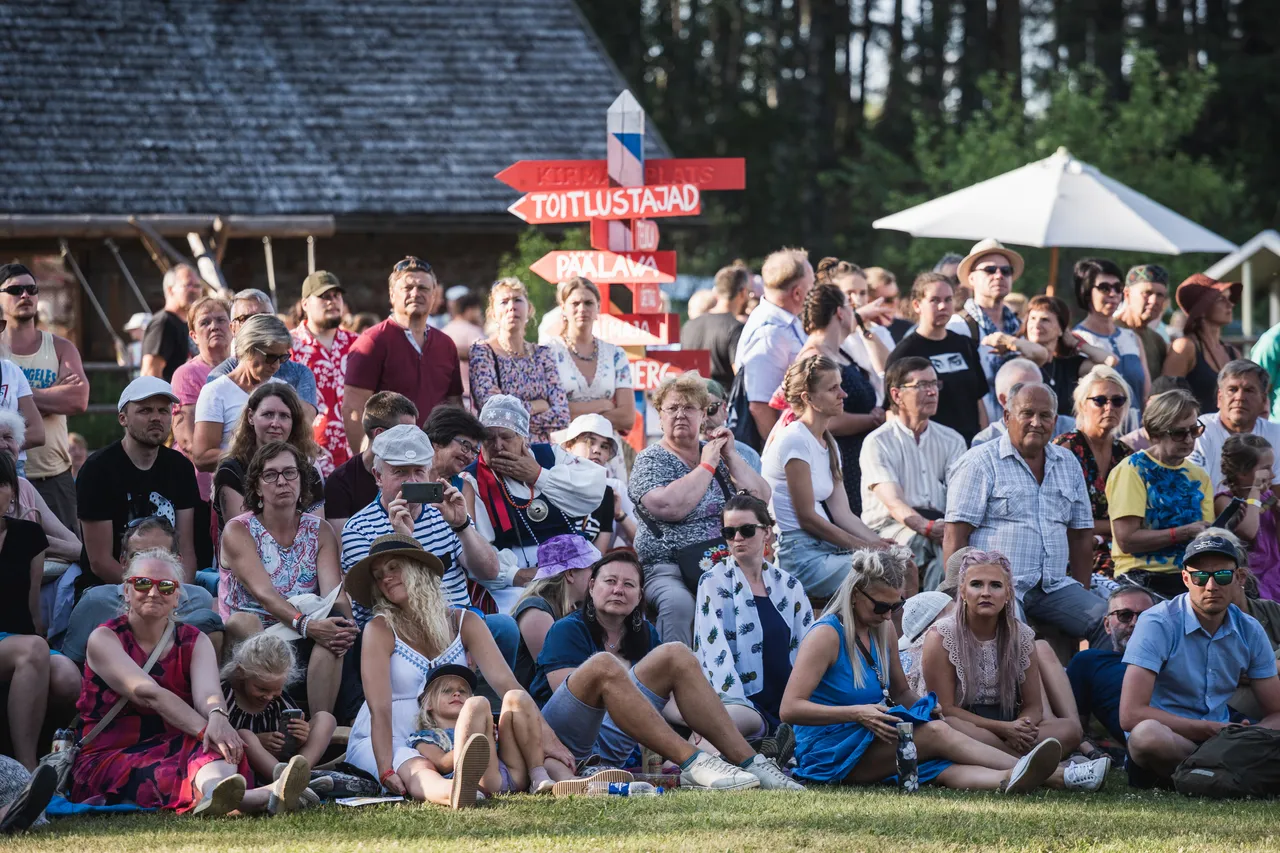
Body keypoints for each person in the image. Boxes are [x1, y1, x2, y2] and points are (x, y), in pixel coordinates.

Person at [780, 547, 1071, 792]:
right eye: (881, 607)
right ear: (856, 594)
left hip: (870, 735)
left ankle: (1008, 778)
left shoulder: (883, 631)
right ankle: (1058, 775)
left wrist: (924, 708)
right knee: (936, 734)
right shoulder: (826, 635)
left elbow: (901, 691)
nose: (886, 617)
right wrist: (856, 712)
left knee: (943, 766)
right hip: (829, 751)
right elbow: (789, 709)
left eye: (895, 607)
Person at [70, 548, 313, 815]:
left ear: (177, 597)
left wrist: (219, 718)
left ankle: (220, 794)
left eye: (165, 586)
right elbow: (150, 694)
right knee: (208, 744)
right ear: (126, 591)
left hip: (175, 741)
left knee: (216, 746)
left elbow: (208, 694)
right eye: (142, 583)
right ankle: (261, 796)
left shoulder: (195, 640)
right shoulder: (104, 639)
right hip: (110, 752)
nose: (153, 592)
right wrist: (209, 731)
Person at [532, 550, 798, 789]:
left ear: (639, 596)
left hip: (618, 740)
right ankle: (696, 762)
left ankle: (752, 762)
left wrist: (695, 722)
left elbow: (664, 702)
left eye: (628, 585)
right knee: (603, 664)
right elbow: (575, 699)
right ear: (591, 587)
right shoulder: (568, 629)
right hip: (566, 741)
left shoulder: (643, 632)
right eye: (610, 581)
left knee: (677, 653)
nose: (618, 590)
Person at [344, 534, 576, 803]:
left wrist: (550, 740)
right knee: (418, 766)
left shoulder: (463, 622)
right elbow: (379, 708)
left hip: (455, 734)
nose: (385, 578)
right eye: (378, 574)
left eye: (394, 567)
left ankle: (577, 783)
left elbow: (508, 685)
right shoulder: (380, 629)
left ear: (418, 570)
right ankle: (457, 793)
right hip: (391, 736)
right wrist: (385, 768)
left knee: (523, 743)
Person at [945, 382, 1105, 646]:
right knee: (1014, 636)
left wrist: (1081, 592)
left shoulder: (1067, 463)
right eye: (1027, 414)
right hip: (997, 587)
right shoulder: (979, 462)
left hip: (1054, 586)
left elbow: (1080, 535)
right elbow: (955, 535)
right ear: (1007, 417)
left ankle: (1092, 684)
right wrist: (958, 597)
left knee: (1112, 621)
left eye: (1044, 416)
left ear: (1055, 421)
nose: (1036, 422)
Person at [1121, 530, 1280, 785]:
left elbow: (1276, 711)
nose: (1211, 586)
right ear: (1185, 578)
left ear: (1239, 578)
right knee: (1145, 736)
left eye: (1222, 575)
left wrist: (1248, 737)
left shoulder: (1250, 629)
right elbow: (1130, 715)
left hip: (1224, 741)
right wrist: (1211, 731)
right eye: (1200, 576)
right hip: (1171, 740)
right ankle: (1221, 770)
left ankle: (1205, 772)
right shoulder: (1157, 622)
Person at [630, 372, 771, 646]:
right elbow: (669, 506)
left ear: (703, 415)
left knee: (768, 590)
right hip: (668, 568)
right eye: (672, 408)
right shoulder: (650, 459)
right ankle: (673, 679)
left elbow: (761, 498)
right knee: (679, 605)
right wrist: (707, 466)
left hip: (726, 561)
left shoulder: (718, 454)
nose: (680, 414)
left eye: (689, 408)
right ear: (660, 415)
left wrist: (729, 456)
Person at [921, 551, 1097, 769]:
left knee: (1069, 731)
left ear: (1008, 594)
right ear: (963, 592)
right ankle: (1032, 766)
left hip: (1008, 722)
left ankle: (1010, 761)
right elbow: (945, 708)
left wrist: (1020, 728)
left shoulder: (1022, 636)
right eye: (976, 584)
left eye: (995, 585)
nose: (986, 593)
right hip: (963, 723)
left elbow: (1033, 706)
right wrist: (1003, 729)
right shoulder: (941, 635)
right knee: (952, 726)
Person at [219, 441, 355, 715]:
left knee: (336, 639)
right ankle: (268, 722)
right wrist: (307, 625)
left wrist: (343, 625)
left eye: (290, 473)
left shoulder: (320, 531)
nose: (282, 481)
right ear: (257, 486)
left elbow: (334, 594)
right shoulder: (239, 530)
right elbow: (265, 595)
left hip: (304, 628)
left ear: (302, 480)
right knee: (245, 622)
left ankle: (318, 730)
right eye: (271, 475)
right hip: (255, 631)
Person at [340, 424, 504, 638]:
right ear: (378, 476)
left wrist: (462, 526)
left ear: (429, 473)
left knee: (505, 627)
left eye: (418, 471)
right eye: (400, 472)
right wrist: (404, 542)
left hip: (458, 624)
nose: (412, 481)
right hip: (399, 632)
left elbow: (490, 572)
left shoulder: (444, 512)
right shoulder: (358, 528)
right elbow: (387, 602)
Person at [763, 355, 894, 599]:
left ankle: (900, 638)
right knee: (881, 572)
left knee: (899, 563)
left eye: (840, 386)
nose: (843, 394)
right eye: (833, 388)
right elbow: (807, 518)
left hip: (825, 547)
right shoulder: (795, 440)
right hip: (798, 555)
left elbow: (843, 514)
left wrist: (881, 543)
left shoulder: (829, 442)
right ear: (808, 398)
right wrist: (865, 546)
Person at [457, 396, 604, 609]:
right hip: (516, 581)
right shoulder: (473, 481)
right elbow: (478, 548)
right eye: (488, 438)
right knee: (525, 610)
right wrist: (515, 575)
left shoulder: (550, 456)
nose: (497, 446)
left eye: (506, 437)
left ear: (522, 438)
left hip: (572, 567)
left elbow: (592, 491)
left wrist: (538, 475)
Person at [694, 493, 813, 742]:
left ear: (766, 532)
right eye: (729, 532)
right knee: (731, 725)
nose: (737, 538)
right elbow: (713, 652)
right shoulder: (712, 582)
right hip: (742, 705)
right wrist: (736, 703)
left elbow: (809, 648)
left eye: (747, 530)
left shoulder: (790, 586)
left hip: (790, 705)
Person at [77, 377, 199, 584]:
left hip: (169, 588)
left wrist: (176, 593)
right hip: (109, 588)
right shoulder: (97, 470)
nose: (156, 418)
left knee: (205, 606)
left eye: (163, 411)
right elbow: (100, 561)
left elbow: (186, 550)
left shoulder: (181, 468)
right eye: (145, 410)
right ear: (123, 419)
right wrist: (147, 591)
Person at [860, 358, 967, 592]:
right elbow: (894, 503)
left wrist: (946, 530)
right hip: (889, 529)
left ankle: (932, 619)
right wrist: (929, 528)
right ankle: (931, 620)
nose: (931, 392)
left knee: (953, 556)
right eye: (921, 385)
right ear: (897, 395)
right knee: (938, 548)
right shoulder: (878, 442)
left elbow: (961, 497)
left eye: (934, 384)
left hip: (939, 525)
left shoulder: (952, 440)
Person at [776, 283, 884, 513]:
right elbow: (826, 418)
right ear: (839, 312)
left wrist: (866, 329)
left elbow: (889, 366)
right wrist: (873, 419)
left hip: (855, 456)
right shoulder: (814, 356)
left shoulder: (839, 351)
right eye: (849, 305)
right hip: (836, 455)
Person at [0, 450, 77, 771]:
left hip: (19, 638)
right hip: (18, 647)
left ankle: (60, 759)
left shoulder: (29, 535)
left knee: (69, 678)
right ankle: (27, 770)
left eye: (1, 483)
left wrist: (38, 642)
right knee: (33, 650)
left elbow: (32, 607)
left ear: (13, 492)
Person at [61, 515, 224, 667]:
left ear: (177, 561)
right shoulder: (96, 600)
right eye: (139, 556)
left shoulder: (199, 599)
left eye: (160, 555)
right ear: (124, 562)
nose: (149, 565)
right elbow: (73, 668)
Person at [344, 256, 463, 454]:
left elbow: (455, 405)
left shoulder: (446, 344)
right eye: (407, 288)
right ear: (392, 294)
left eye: (423, 288)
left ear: (434, 295)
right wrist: (364, 463)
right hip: (389, 460)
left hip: (436, 458)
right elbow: (353, 410)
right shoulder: (372, 341)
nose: (415, 293)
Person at [0, 263, 88, 530]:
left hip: (54, 474)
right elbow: (62, 399)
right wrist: (52, 394)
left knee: (66, 559)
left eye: (31, 289)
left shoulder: (60, 346)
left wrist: (18, 397)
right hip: (6, 477)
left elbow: (77, 401)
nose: (25, 295)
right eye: (15, 289)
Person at [1107, 389, 1215, 599]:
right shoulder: (1133, 470)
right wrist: (1182, 532)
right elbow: (1127, 540)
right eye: (1179, 433)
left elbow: (1202, 535)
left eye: (1194, 430)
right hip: (1141, 574)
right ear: (1155, 433)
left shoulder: (1198, 475)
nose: (1188, 439)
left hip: (1188, 575)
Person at [410, 662, 556, 805]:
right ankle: (467, 786)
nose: (456, 694)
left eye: (463, 691)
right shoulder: (426, 737)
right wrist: (479, 741)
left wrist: (494, 735)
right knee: (477, 703)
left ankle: (538, 774)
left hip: (514, 773)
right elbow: (442, 763)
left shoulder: (483, 719)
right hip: (482, 781)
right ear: (427, 703)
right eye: (447, 690)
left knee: (516, 696)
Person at [945, 239, 1048, 422]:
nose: (999, 275)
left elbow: (1043, 357)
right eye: (990, 270)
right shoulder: (958, 326)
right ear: (971, 278)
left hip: (1019, 431)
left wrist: (1010, 341)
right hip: (976, 433)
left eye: (1006, 271)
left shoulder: (1019, 326)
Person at [220, 632, 337, 789]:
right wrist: (257, 740)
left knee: (326, 719)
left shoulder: (281, 703)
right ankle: (288, 783)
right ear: (241, 672)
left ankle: (298, 775)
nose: (268, 696)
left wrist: (299, 738)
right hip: (240, 766)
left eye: (276, 689)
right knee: (245, 736)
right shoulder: (225, 695)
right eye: (261, 688)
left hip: (280, 764)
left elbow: (288, 748)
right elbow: (216, 733)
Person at [887, 272, 990, 444]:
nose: (943, 306)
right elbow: (892, 410)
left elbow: (979, 400)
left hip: (969, 445)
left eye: (948, 299)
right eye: (935, 300)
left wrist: (984, 442)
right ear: (917, 305)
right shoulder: (904, 352)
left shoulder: (965, 345)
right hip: (929, 448)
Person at [1051, 365, 1135, 575]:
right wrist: (1116, 527)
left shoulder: (1125, 454)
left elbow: (1138, 516)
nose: (1109, 407)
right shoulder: (1066, 449)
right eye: (1100, 400)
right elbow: (1058, 517)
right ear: (1082, 405)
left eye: (1118, 400)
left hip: (1120, 548)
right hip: (1075, 548)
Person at [212, 383, 324, 533]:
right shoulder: (231, 471)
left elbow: (316, 533)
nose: (275, 424)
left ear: (293, 422)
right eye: (268, 414)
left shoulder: (309, 472)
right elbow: (243, 535)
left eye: (284, 416)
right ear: (251, 417)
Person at [469, 278, 569, 444]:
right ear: (493, 313)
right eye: (504, 302)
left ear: (529, 309)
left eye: (517, 300)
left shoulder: (543, 354)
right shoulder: (483, 352)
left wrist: (515, 416)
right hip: (502, 449)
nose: (511, 307)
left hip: (542, 451)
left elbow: (563, 415)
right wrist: (539, 405)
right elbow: (494, 413)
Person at [192, 314, 295, 472]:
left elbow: (298, 443)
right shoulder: (216, 392)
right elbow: (202, 457)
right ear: (248, 348)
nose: (276, 366)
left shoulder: (284, 390)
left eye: (282, 358)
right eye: (271, 357)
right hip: (235, 487)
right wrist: (254, 455)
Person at [733, 248, 814, 444]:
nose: (815, 293)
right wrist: (784, 454)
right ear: (797, 293)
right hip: (781, 453)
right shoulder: (770, 332)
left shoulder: (783, 322)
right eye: (812, 287)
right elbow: (759, 406)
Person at [1066, 586, 1156, 751]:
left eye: (1145, 617)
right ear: (1107, 625)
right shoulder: (1090, 662)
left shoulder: (1174, 658)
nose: (1135, 623)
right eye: (1124, 615)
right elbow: (1076, 726)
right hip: (1150, 741)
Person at [170, 296, 233, 535]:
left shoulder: (245, 370)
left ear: (233, 327)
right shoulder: (187, 374)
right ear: (194, 336)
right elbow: (188, 440)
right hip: (199, 484)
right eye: (205, 322)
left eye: (221, 320)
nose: (214, 326)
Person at [207, 290, 319, 421]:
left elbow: (301, 429)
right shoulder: (220, 378)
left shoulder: (300, 374)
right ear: (233, 328)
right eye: (247, 319)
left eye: (266, 317)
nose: (260, 326)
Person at [546, 277, 636, 438]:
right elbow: (548, 412)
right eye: (575, 303)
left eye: (588, 303)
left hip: (607, 452)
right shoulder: (547, 353)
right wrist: (602, 405)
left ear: (598, 308)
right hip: (562, 450)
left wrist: (573, 410)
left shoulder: (616, 354)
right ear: (563, 309)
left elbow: (627, 417)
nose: (582, 309)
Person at [290, 271, 358, 477]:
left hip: (355, 453)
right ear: (304, 304)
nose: (332, 302)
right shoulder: (288, 346)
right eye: (324, 297)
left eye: (337, 296)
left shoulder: (359, 344)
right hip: (309, 456)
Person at [513, 536, 600, 692]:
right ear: (570, 574)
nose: (597, 577)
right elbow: (554, 678)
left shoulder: (573, 609)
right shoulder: (535, 611)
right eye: (592, 568)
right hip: (535, 707)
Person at [323, 392, 418, 533]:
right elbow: (342, 546)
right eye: (405, 433)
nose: (412, 440)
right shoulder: (341, 482)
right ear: (379, 434)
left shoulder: (415, 475)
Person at [0, 410, 81, 564]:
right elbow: (18, 541)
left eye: (8, 437)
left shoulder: (23, 485)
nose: (3, 445)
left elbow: (66, 537)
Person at [1018, 294, 1116, 418]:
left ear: (1061, 329)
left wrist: (1076, 343)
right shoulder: (1020, 363)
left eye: (1045, 320)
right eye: (1032, 318)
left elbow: (1110, 361)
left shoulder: (1069, 366)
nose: (1036, 324)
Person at [1071, 258, 1151, 409]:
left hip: (1136, 427)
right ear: (1087, 292)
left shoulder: (1132, 338)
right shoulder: (1077, 339)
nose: (1113, 294)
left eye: (1117, 287)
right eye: (1104, 288)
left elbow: (1146, 396)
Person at [1189, 359, 1280, 492]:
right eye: (1232, 389)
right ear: (1220, 397)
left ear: (1263, 399)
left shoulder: (1276, 434)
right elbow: (1195, 488)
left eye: (1249, 390)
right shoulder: (1201, 430)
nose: (1240, 397)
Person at [551, 414, 638, 550]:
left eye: (604, 447)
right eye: (590, 442)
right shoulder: (553, 483)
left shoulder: (614, 488)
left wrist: (619, 514)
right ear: (569, 446)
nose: (597, 450)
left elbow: (642, 543)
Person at [816, 258, 893, 405]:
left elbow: (890, 373)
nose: (857, 300)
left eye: (862, 293)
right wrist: (858, 317)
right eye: (849, 293)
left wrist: (865, 327)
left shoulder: (879, 332)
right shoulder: (828, 336)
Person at [1163, 274, 1241, 416]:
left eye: (1229, 298)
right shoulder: (1185, 348)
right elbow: (1166, 400)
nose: (1230, 304)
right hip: (1194, 435)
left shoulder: (1233, 353)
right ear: (1202, 309)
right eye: (1221, 299)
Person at [1214, 434, 1279, 601]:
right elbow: (1248, 532)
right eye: (1266, 468)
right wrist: (1255, 490)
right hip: (1250, 581)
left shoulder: (1268, 497)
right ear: (1242, 473)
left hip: (1274, 575)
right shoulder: (1225, 501)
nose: (1272, 475)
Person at [969, 359, 1075, 446]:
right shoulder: (985, 442)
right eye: (1021, 391)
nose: (1032, 397)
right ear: (1003, 399)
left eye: (1037, 388)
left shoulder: (1070, 428)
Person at [682, 263, 749, 390]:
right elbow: (741, 376)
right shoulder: (736, 328)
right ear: (743, 292)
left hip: (693, 402)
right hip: (723, 404)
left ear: (716, 291)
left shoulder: (689, 325)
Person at [140, 263, 203, 382]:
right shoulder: (163, 323)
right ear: (170, 290)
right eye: (188, 285)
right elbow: (150, 375)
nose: (194, 290)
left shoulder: (187, 324)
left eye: (198, 286)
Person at [1116, 264, 1170, 379]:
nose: (1154, 300)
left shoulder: (1157, 341)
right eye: (1147, 293)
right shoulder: (1110, 332)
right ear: (1127, 294)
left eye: (1160, 295)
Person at [703, 379, 762, 473]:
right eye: (695, 411)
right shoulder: (676, 458)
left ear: (724, 409)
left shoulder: (747, 454)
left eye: (711, 409)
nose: (704, 418)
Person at [440, 290, 485, 411]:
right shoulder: (473, 332)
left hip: (447, 397)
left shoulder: (444, 331)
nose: (480, 313)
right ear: (470, 310)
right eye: (477, 309)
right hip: (469, 397)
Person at [864, 267, 913, 342]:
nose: (895, 302)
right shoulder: (851, 334)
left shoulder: (908, 330)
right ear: (868, 301)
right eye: (888, 300)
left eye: (897, 296)